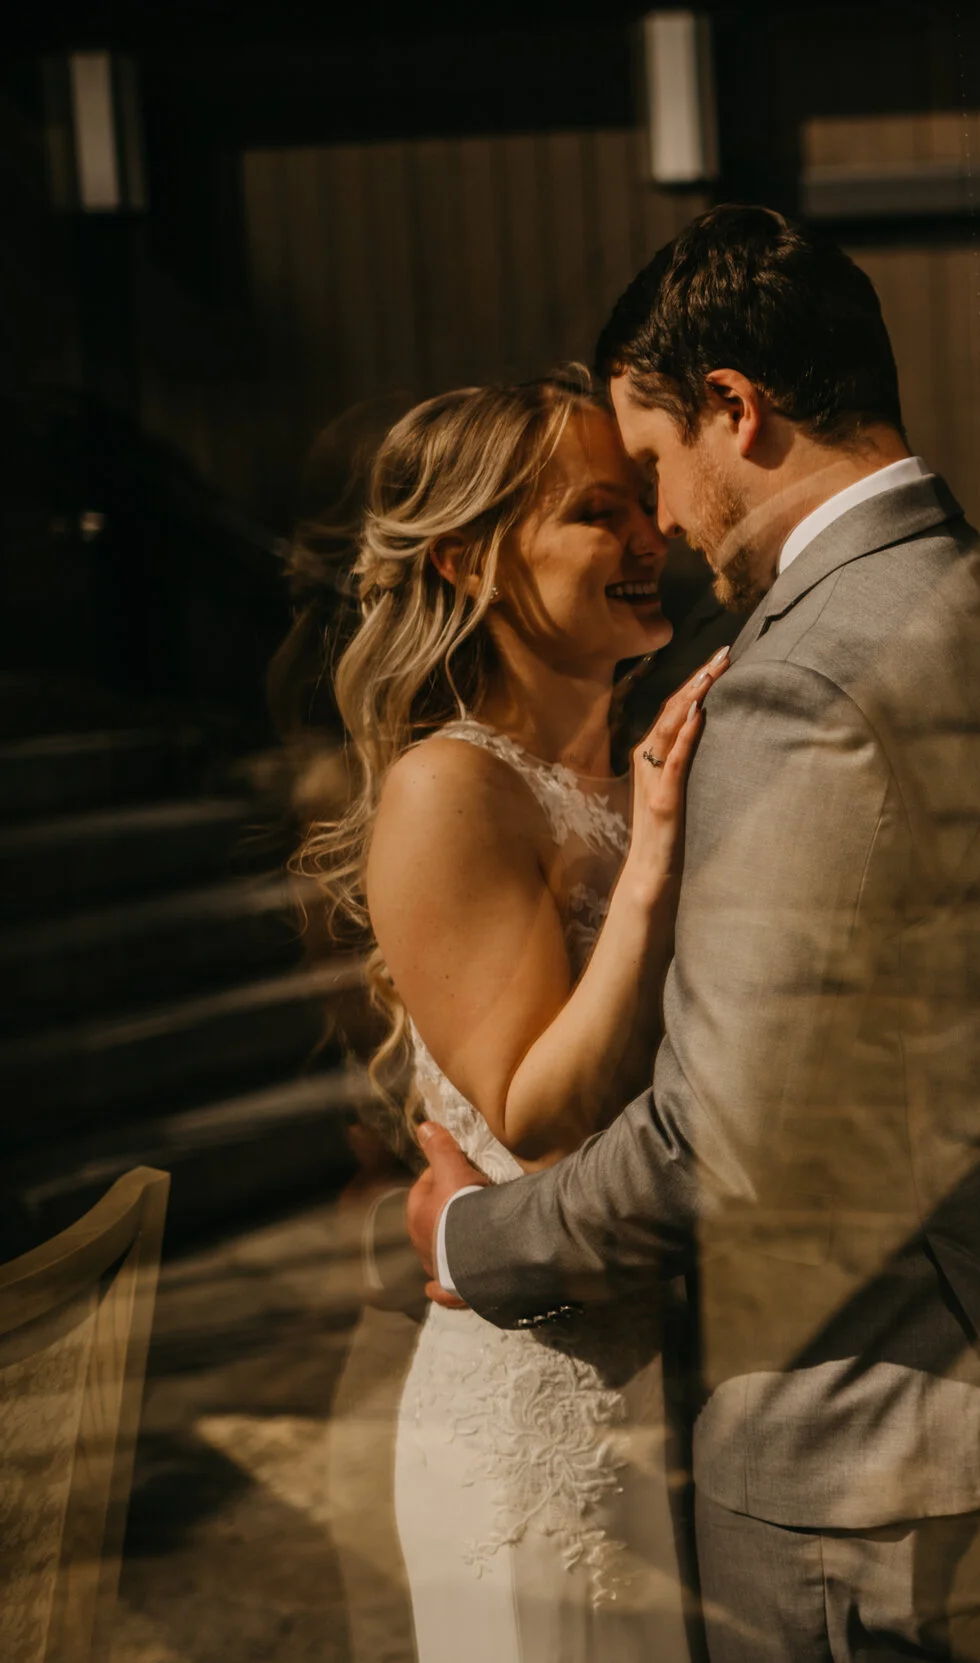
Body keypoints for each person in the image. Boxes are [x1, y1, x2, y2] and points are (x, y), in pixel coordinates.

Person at [403, 206, 980, 1663]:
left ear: (735, 410)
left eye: (652, 469)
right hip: (936, 1363)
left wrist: (472, 1235)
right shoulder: (972, 587)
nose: (667, 528)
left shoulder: (806, 673)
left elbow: (717, 1141)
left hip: (843, 1415)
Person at [299, 365, 725, 1661]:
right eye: (601, 513)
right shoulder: (451, 788)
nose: (651, 538)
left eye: (642, 501)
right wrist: (650, 872)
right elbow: (539, 1120)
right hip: (537, 1421)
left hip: (679, 1399)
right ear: (469, 559)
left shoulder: (633, 767)